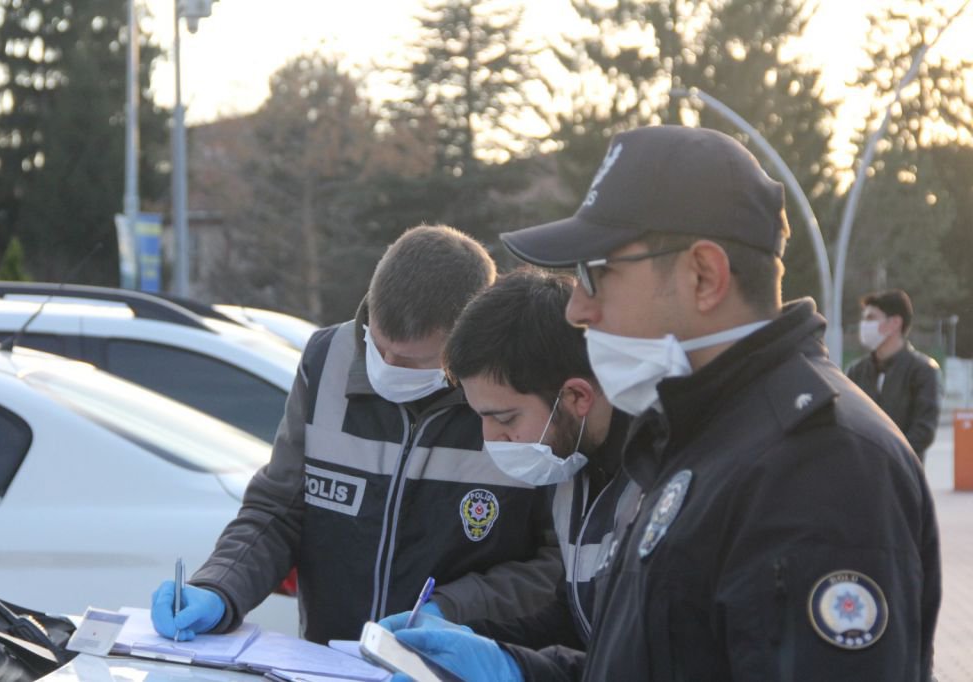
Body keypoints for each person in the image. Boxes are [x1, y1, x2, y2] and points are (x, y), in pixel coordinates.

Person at [389, 126, 941, 681]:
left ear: (703, 275)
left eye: (594, 275)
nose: (578, 309)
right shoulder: (700, 435)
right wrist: (516, 669)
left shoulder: (821, 465)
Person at [149, 225, 562, 644]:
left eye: (411, 360)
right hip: (330, 662)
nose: (386, 364)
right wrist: (218, 587)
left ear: (467, 344)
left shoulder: (516, 397)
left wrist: (452, 609)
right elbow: (278, 510)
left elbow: (558, 562)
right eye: (378, 345)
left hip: (458, 663)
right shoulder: (328, 358)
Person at [430, 268, 634, 650]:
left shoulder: (653, 479)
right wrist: (472, 643)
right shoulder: (572, 466)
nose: (491, 437)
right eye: (481, 417)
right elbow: (571, 621)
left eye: (505, 418)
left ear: (577, 398)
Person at [847, 289, 941, 463]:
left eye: (871, 318)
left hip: (903, 475)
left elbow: (924, 430)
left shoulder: (923, 370)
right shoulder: (856, 371)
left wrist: (890, 456)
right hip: (862, 472)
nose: (864, 325)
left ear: (895, 323)